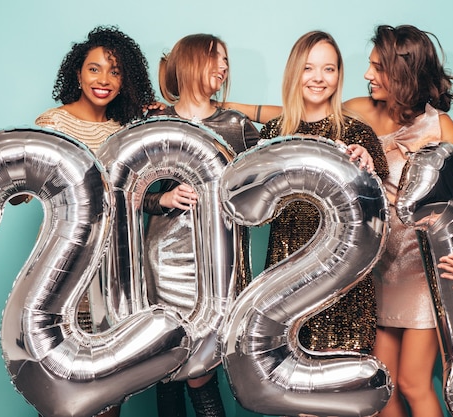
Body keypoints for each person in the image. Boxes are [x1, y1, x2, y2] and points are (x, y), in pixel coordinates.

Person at [338, 25, 453, 417]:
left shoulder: (439, 126)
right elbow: (297, 111)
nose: (367, 76)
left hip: (422, 274)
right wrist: (216, 112)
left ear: (402, 73)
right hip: (377, 269)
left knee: (413, 381)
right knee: (382, 387)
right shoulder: (359, 111)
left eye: (377, 68)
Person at [16, 25, 155, 417]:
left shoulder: (123, 132)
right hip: (63, 265)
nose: (104, 80)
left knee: (106, 380)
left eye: (115, 71)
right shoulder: (53, 123)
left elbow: (132, 195)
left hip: (111, 269)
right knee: (61, 375)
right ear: (77, 73)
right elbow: (30, 190)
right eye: (95, 69)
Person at [141, 33, 259, 417]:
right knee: (165, 365)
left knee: (202, 368)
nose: (223, 67)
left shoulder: (235, 124)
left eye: (226, 60)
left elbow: (263, 183)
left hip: (216, 263)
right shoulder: (155, 121)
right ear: (191, 63)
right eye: (215, 59)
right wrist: (163, 198)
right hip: (164, 259)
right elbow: (125, 192)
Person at [259, 30, 388, 358]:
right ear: (294, 73)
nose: (319, 78)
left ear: (339, 75)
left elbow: (382, 213)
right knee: (294, 396)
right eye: (308, 68)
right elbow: (253, 211)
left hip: (344, 289)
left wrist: (368, 171)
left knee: (342, 394)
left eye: (328, 69)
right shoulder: (274, 134)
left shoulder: (357, 134)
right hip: (286, 285)